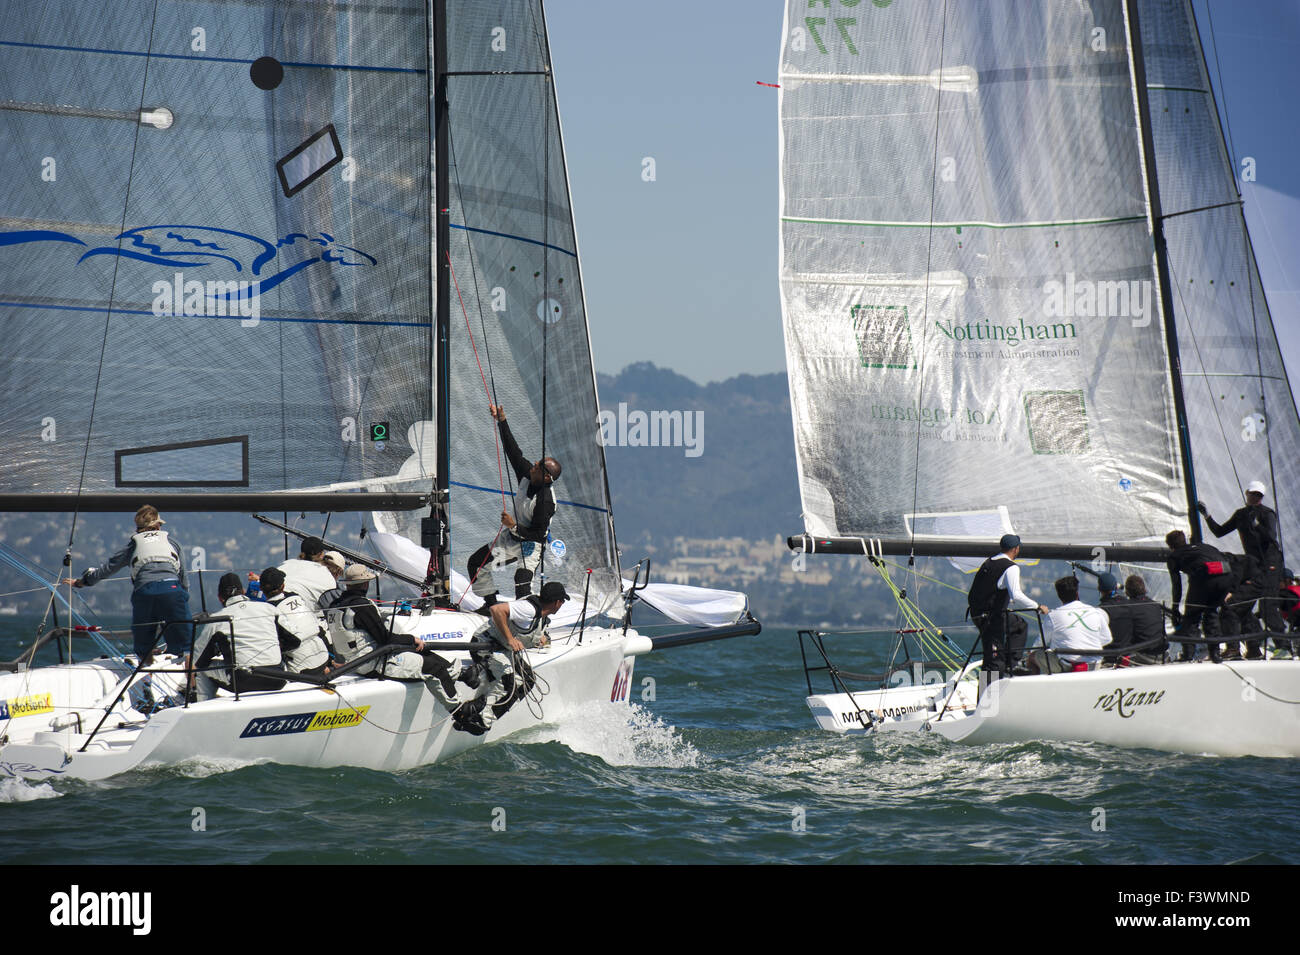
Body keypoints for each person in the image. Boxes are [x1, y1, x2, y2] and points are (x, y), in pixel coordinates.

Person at [62, 504, 192, 664]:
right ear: (158, 525)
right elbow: (184, 581)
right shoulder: (173, 544)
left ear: (138, 528)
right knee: (187, 644)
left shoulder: (133, 546)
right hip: (173, 591)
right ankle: (189, 677)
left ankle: (146, 678)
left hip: (145, 592)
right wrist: (183, 600)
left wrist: (82, 582)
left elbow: (107, 569)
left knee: (144, 646)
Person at [466, 404, 561, 608]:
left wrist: (512, 525)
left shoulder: (545, 501)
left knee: (522, 584)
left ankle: (530, 621)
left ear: (546, 477)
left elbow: (538, 534)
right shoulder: (528, 475)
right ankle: (491, 606)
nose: (533, 464)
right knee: (476, 564)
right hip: (511, 540)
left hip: (530, 546)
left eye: (538, 465)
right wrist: (502, 420)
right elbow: (513, 452)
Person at [325, 564, 459, 702]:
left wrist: (410, 642)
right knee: (435, 668)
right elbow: (385, 638)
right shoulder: (362, 606)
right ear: (365, 584)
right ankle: (461, 712)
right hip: (373, 664)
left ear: (347, 584)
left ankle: (458, 673)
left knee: (422, 652)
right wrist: (412, 639)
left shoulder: (334, 606)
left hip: (354, 662)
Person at [453, 581, 566, 735]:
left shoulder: (540, 615)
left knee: (528, 680)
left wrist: (539, 639)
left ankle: (483, 713)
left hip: (503, 650)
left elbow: (526, 631)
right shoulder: (529, 608)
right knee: (510, 682)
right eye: (563, 601)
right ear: (557, 603)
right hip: (485, 646)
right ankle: (477, 715)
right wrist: (510, 639)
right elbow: (496, 609)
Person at [1199, 481, 1285, 645]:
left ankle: (1284, 647)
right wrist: (1207, 516)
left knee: (1267, 605)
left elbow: (1271, 537)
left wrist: (1256, 525)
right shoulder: (1240, 514)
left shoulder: (1267, 514)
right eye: (1253, 493)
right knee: (1239, 605)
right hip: (1253, 564)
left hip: (1270, 563)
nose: (1255, 497)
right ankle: (1253, 646)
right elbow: (1219, 532)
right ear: (1247, 493)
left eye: (1258, 495)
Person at [191, 572, 285, 700]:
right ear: (243, 591)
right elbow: (293, 639)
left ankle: (202, 706)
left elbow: (197, 659)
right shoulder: (269, 608)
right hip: (278, 678)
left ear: (220, 598)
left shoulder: (216, 620)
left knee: (200, 668)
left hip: (244, 681)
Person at [967, 534, 1049, 678]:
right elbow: (1016, 594)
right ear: (1016, 549)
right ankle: (990, 697)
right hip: (992, 619)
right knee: (994, 662)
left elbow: (990, 588)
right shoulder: (1011, 567)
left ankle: (1011, 664)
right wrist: (1037, 606)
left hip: (978, 614)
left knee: (1019, 625)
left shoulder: (989, 562)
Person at [1166, 530, 1232, 663]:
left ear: (1171, 546)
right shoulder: (1204, 546)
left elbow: (1176, 585)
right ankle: (1215, 654)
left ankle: (1188, 655)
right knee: (1211, 613)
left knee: (1191, 616)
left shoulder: (1174, 556)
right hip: (1226, 577)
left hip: (1206, 578)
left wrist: (1175, 608)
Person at [259, 567, 332, 675]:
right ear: (283, 586)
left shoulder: (266, 612)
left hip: (301, 669)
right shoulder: (295, 597)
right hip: (323, 656)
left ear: (261, 589)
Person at [1044, 576, 1112, 671]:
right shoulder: (1096, 612)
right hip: (1095, 665)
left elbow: (1042, 642)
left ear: (1059, 596)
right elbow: (1107, 639)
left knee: (1035, 656)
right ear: (1077, 593)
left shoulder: (1052, 615)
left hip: (1067, 666)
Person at [1102, 575, 1167, 665]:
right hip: (1163, 655)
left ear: (1127, 592)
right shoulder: (1155, 605)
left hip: (1144, 656)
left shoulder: (1129, 607)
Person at [1218, 552, 1265, 661]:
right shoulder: (1211, 558)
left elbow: (1237, 569)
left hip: (1252, 580)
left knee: (1229, 609)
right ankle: (1254, 649)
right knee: (1244, 612)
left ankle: (1233, 649)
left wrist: (1231, 591)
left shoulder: (1218, 561)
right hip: (1252, 579)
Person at [277, 536, 337, 609]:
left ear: (302, 552)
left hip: (272, 607)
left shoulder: (285, 564)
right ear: (321, 554)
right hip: (302, 615)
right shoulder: (326, 575)